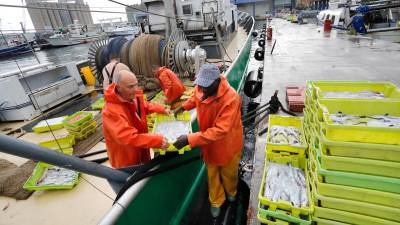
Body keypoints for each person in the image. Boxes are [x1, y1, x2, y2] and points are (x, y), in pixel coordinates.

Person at [173, 64, 243, 218]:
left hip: (228, 145)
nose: (202, 88)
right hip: (208, 145)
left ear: (217, 81)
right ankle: (216, 200)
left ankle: (231, 192)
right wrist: (183, 107)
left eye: (206, 85)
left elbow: (221, 130)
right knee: (212, 175)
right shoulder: (202, 88)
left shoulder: (231, 98)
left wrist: (189, 139)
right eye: (201, 84)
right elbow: (195, 97)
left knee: (229, 174)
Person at [102, 70, 170, 168]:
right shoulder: (110, 111)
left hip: (141, 146)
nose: (135, 89)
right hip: (126, 158)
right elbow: (127, 137)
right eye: (130, 86)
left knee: (145, 168)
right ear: (118, 88)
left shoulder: (131, 96)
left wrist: (161, 109)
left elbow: (143, 106)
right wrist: (156, 140)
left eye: (136, 85)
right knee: (132, 179)